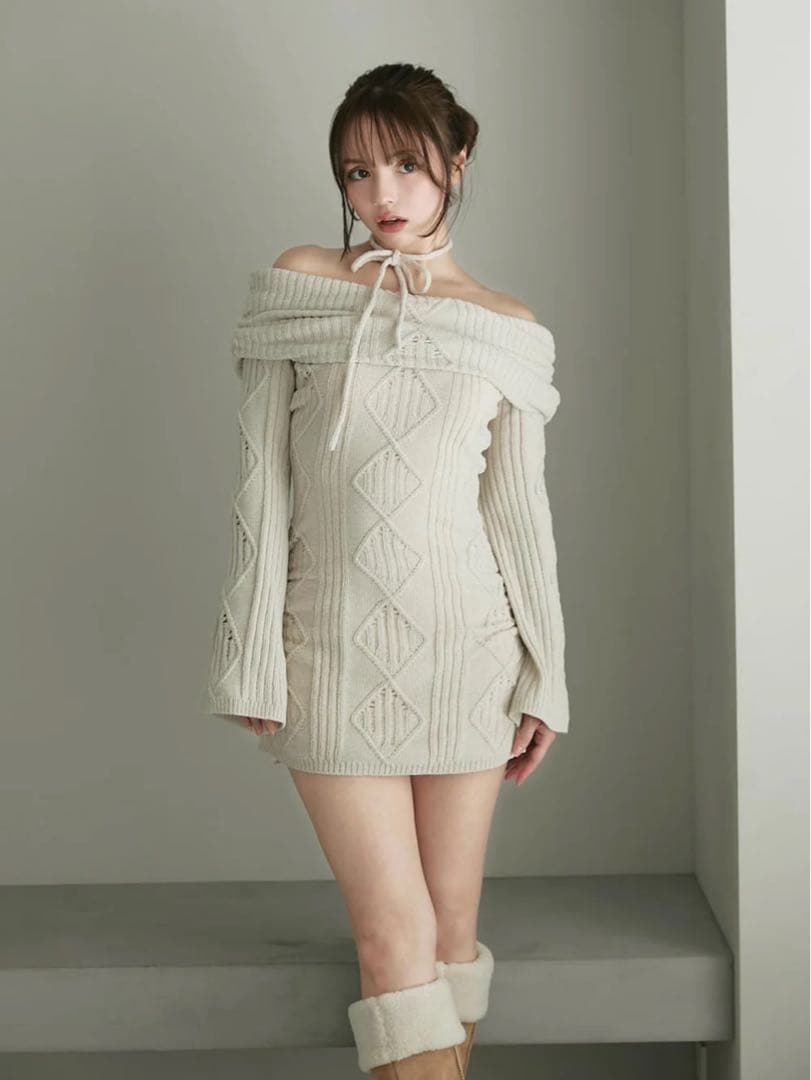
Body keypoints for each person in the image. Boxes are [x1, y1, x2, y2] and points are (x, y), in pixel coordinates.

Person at [203, 61, 570, 1078]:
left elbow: (518, 520)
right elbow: (261, 487)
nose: (381, 195)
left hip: (469, 655)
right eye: (357, 173)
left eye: (406, 165)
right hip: (328, 649)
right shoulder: (302, 285)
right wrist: (249, 653)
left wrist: (547, 674)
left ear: (458, 160)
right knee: (392, 938)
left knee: (449, 934)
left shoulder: (506, 327)